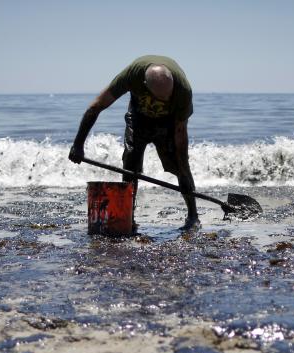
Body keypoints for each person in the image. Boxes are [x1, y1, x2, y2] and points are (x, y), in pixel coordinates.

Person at [69, 55, 199, 230]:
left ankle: (193, 216)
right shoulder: (132, 75)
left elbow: (180, 133)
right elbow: (96, 106)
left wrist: (183, 172)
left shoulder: (183, 91)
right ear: (145, 85)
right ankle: (128, 217)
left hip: (168, 123)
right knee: (130, 165)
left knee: (179, 167)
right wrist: (78, 144)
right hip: (139, 120)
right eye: (162, 98)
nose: (167, 100)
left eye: (168, 96)